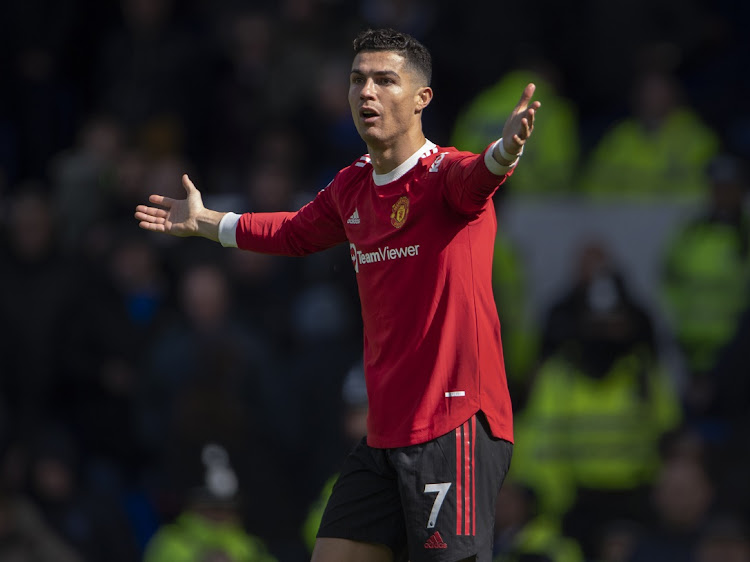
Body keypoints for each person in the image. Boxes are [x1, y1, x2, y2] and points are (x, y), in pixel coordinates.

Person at [135, 27, 540, 562]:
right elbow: (294, 232)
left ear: (422, 99)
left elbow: (482, 176)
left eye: (385, 80)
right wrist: (210, 222)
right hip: (386, 434)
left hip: (455, 425)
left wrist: (505, 150)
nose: (366, 92)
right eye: (357, 80)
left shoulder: (446, 177)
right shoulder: (352, 186)